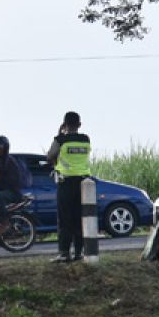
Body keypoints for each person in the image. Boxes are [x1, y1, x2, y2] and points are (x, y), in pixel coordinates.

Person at [47, 111, 91, 263]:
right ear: (79, 124)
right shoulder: (86, 139)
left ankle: (64, 253)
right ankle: (79, 252)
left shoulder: (60, 139)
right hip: (85, 184)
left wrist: (60, 132)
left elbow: (50, 155)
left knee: (65, 219)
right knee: (80, 218)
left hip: (66, 183)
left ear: (64, 124)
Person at [0, 135, 24, 230]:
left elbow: (13, 180)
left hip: (13, 192)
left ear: (5, 148)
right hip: (4, 190)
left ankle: (4, 222)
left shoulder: (9, 161)